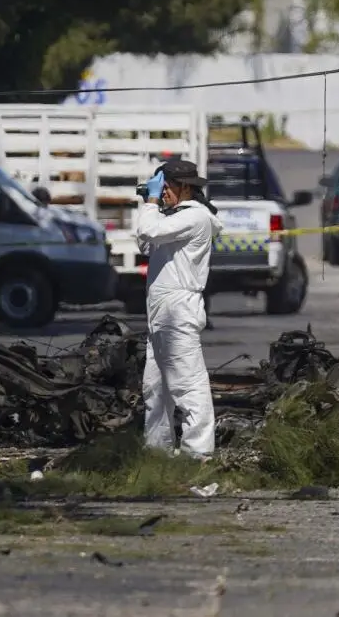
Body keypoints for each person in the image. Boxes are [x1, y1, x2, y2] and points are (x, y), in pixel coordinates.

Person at [135, 159, 223, 459]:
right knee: (155, 388)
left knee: (187, 384)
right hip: (160, 309)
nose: (163, 194)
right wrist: (150, 204)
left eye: (166, 188)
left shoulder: (195, 217)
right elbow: (145, 243)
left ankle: (198, 453)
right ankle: (157, 451)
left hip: (177, 309)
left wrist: (149, 202)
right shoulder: (172, 217)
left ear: (186, 187)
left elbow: (150, 232)